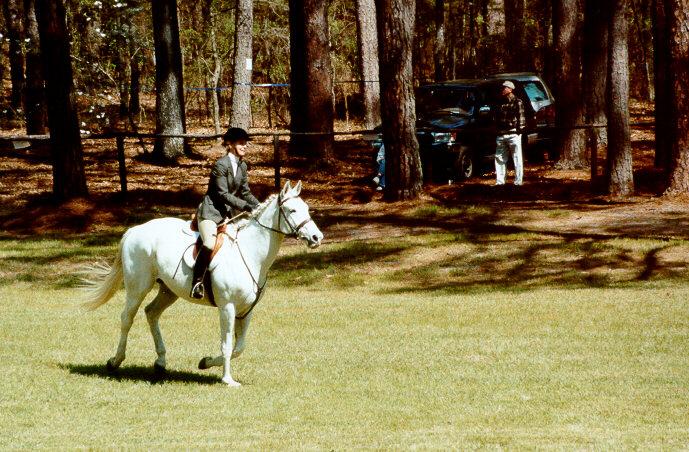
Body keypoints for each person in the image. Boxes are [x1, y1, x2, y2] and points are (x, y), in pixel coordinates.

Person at [190, 127, 260, 299]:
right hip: (211, 212)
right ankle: (197, 282)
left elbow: (245, 192)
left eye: (246, 143)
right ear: (230, 144)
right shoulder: (221, 164)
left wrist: (260, 206)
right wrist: (245, 206)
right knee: (208, 244)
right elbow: (222, 194)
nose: (245, 146)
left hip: (227, 214)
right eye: (241, 143)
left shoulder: (242, 165)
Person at [493, 80, 526, 186]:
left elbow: (521, 119)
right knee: (499, 158)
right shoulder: (500, 102)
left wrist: (518, 132)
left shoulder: (517, 102)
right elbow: (497, 118)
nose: (502, 90)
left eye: (504, 88)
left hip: (513, 133)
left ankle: (518, 182)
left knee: (517, 158)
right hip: (501, 134)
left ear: (510, 89)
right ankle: (500, 182)